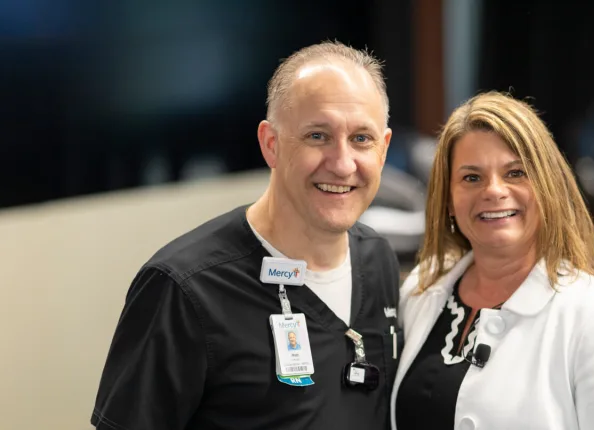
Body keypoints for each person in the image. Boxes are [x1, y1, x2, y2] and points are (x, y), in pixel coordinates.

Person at [91, 41, 404, 430]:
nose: (342, 164)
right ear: (271, 144)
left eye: (361, 139)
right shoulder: (185, 290)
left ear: (384, 149)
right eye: (317, 136)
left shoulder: (379, 261)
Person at [391, 91, 594, 430]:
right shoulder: (421, 289)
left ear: (547, 187)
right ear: (448, 199)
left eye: (515, 173)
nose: (493, 190)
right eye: (471, 177)